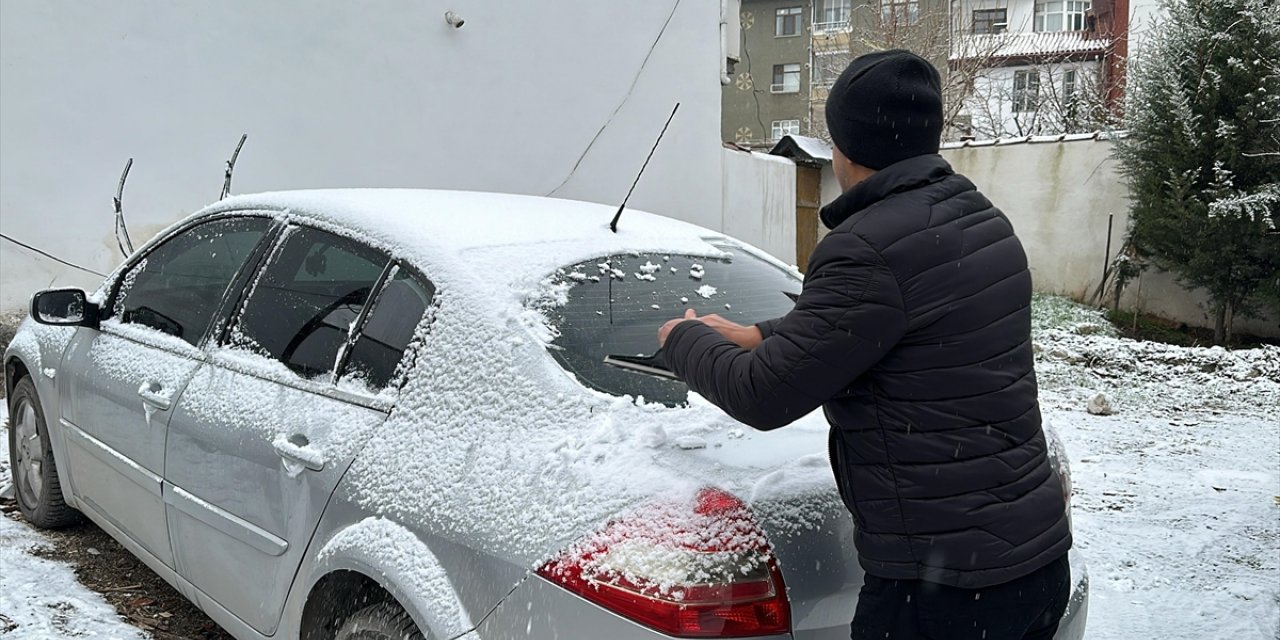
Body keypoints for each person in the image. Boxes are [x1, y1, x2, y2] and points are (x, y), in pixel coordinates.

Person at [657, 50, 1072, 640]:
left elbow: (763, 395)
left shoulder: (868, 246)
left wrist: (683, 338)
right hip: (1034, 562)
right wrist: (763, 334)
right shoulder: (980, 220)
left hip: (943, 594)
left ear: (842, 149)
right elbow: (897, 328)